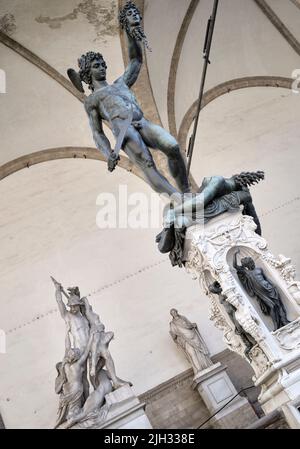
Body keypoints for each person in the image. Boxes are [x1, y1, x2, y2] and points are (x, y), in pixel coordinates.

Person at [67, 1, 190, 197]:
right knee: (148, 164)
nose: (102, 67)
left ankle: (187, 192)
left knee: (172, 146)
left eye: (102, 63)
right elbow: (97, 133)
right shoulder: (92, 100)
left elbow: (136, 60)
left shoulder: (120, 83)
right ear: (88, 73)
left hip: (141, 121)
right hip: (123, 130)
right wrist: (108, 153)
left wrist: (129, 29)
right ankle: (178, 200)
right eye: (96, 65)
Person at [233, 250, 290, 330]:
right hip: (261, 292)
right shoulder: (247, 272)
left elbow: (266, 279)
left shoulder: (259, 269)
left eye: (252, 262)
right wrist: (235, 254)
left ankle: (285, 321)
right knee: (272, 306)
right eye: (251, 263)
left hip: (270, 289)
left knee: (279, 305)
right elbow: (235, 266)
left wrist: (273, 285)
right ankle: (276, 325)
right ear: (247, 265)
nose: (253, 264)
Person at [55, 330, 95, 428]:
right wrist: (91, 337)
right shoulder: (77, 364)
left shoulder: (65, 365)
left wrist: (67, 333)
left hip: (69, 389)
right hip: (77, 388)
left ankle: (71, 417)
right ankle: (73, 418)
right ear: (76, 357)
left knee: (72, 407)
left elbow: (67, 346)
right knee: (75, 408)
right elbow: (86, 352)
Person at [169, 309, 213, 374]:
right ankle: (199, 369)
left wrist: (192, 325)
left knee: (199, 352)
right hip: (185, 340)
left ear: (176, 312)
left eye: (174, 312)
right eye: (172, 313)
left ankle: (206, 364)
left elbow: (189, 325)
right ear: (171, 315)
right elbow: (174, 334)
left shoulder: (183, 318)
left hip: (193, 336)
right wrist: (175, 336)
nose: (174, 313)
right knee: (192, 354)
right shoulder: (172, 324)